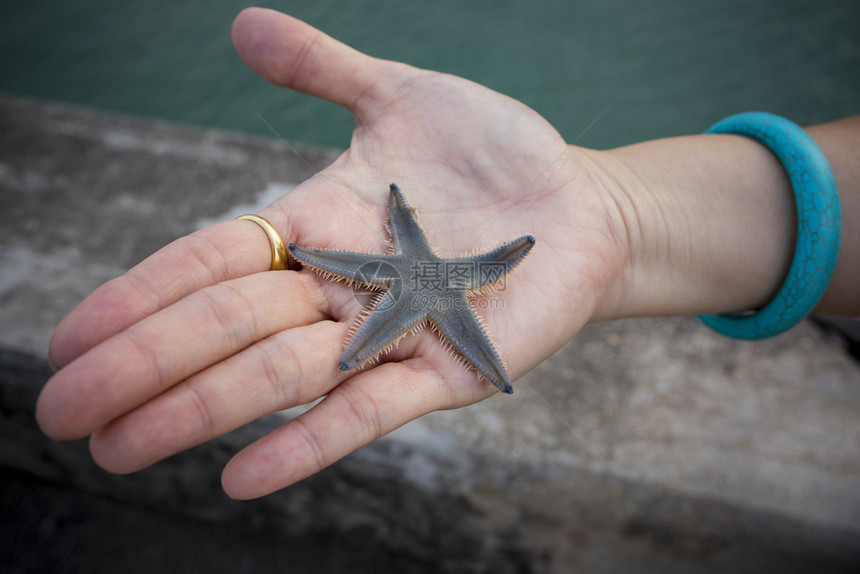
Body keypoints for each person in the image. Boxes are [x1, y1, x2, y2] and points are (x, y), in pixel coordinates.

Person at [35, 7, 859, 500]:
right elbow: (406, 264)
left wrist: (608, 214)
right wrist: (616, 211)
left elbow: (448, 270)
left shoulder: (443, 280)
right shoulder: (427, 276)